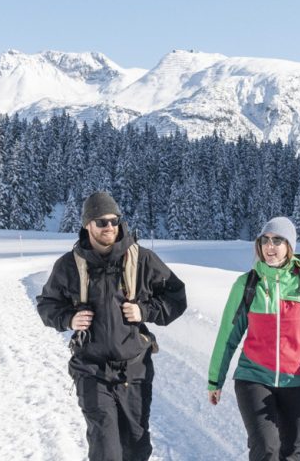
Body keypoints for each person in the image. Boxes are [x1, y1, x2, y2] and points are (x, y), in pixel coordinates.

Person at [36, 192, 188, 461]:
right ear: (87, 225)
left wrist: (145, 310)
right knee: (106, 446)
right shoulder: (69, 266)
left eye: (114, 220)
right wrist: (68, 319)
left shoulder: (142, 260)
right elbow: (47, 304)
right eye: (101, 222)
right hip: (90, 368)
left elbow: (177, 297)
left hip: (135, 368)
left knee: (136, 446)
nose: (109, 227)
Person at [205, 217, 300, 461]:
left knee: (291, 451)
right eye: (265, 240)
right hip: (254, 377)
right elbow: (227, 338)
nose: (269, 246)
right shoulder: (247, 284)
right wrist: (214, 380)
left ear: (289, 246)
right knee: (265, 448)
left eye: (277, 240)